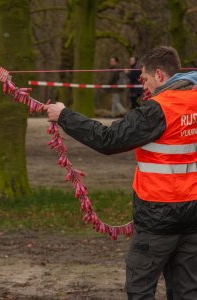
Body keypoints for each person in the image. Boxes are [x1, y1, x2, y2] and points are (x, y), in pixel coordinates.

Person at [44, 46, 197, 299]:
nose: (144, 87)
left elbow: (109, 139)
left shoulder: (157, 109)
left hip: (159, 216)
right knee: (188, 291)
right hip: (192, 215)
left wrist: (64, 116)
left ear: (159, 74)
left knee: (140, 288)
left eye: (145, 79)